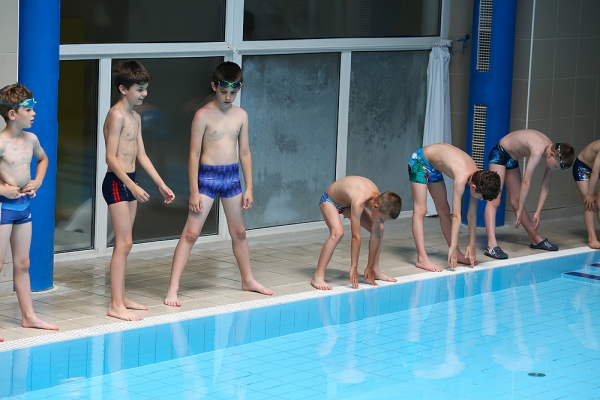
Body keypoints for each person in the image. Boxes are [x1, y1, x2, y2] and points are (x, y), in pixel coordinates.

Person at [164, 61, 272, 307]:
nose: (228, 97)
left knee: (239, 232)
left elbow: (245, 152)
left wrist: (250, 186)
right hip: (207, 178)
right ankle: (172, 288)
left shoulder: (241, 116)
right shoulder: (202, 115)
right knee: (191, 233)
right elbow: (193, 154)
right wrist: (193, 191)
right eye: (224, 91)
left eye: (233, 92)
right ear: (214, 86)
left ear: (239, 88)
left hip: (232, 178)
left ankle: (248, 280)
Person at [103, 61, 175, 321]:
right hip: (117, 181)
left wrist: (160, 183)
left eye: (145, 89)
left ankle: (121, 297)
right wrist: (132, 186)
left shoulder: (135, 117)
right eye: (139, 89)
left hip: (129, 180)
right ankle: (115, 304)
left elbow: (141, 155)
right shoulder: (116, 115)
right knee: (123, 243)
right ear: (123, 89)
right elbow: (110, 157)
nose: (145, 93)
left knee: (126, 243)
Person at [0, 83, 59, 342]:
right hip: (3, 207)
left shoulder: (31, 139)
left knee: (23, 263)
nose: (34, 113)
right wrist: (3, 189)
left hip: (23, 207)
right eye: (28, 108)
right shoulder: (1, 143)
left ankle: (29, 316)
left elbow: (43, 159)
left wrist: (37, 181)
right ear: (12, 114)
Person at [409, 143, 501, 272]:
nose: (479, 199)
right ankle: (421, 259)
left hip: (434, 166)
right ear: (473, 187)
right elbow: (457, 216)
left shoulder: (479, 177)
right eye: (480, 197)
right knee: (421, 209)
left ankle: (457, 254)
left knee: (444, 210)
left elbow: (471, 215)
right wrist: (452, 245)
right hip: (420, 161)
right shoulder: (461, 178)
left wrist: (472, 244)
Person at [483, 129, 574, 259]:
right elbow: (526, 182)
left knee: (516, 201)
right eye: (555, 167)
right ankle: (491, 246)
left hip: (511, 158)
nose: (553, 169)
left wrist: (538, 211)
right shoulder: (538, 149)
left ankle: (535, 239)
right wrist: (520, 208)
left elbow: (546, 184)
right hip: (499, 153)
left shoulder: (552, 149)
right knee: (494, 200)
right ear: (551, 155)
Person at [311, 176, 402, 290]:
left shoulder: (380, 199)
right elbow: (356, 237)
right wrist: (354, 267)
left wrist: (369, 266)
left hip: (347, 203)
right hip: (330, 200)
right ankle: (318, 276)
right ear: (375, 207)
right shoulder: (359, 201)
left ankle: (375, 270)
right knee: (337, 233)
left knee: (380, 229)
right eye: (381, 219)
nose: (381, 221)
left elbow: (375, 235)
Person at [572, 140, 600, 249]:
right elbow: (595, 172)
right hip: (583, 168)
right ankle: (592, 238)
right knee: (590, 202)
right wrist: (590, 194)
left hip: (597, 170)